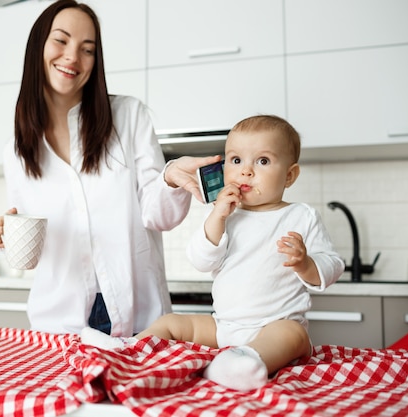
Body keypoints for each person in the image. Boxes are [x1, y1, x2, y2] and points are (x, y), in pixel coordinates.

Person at [0, 0, 220, 337]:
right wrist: (7, 237)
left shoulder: (129, 116)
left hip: (140, 317)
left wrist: (169, 178)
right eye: (61, 41)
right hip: (59, 323)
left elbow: (159, 216)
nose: (72, 57)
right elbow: (33, 251)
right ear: (38, 45)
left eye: (87, 49)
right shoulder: (17, 152)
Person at [81, 115, 345, 391]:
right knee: (171, 323)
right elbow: (200, 260)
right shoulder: (225, 215)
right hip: (223, 326)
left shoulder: (301, 216)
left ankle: (246, 362)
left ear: (289, 175)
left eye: (263, 161)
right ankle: (128, 347)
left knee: (295, 335)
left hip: (274, 325)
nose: (246, 171)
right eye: (236, 160)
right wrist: (217, 218)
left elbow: (333, 264)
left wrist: (306, 264)